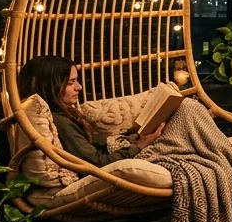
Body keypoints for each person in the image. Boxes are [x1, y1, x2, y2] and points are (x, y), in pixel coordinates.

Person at [17, 55, 164, 167]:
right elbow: (96, 162)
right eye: (70, 82)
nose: (79, 87)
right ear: (48, 87)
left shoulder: (64, 115)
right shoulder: (59, 123)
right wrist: (138, 147)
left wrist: (132, 137)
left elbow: (91, 149)